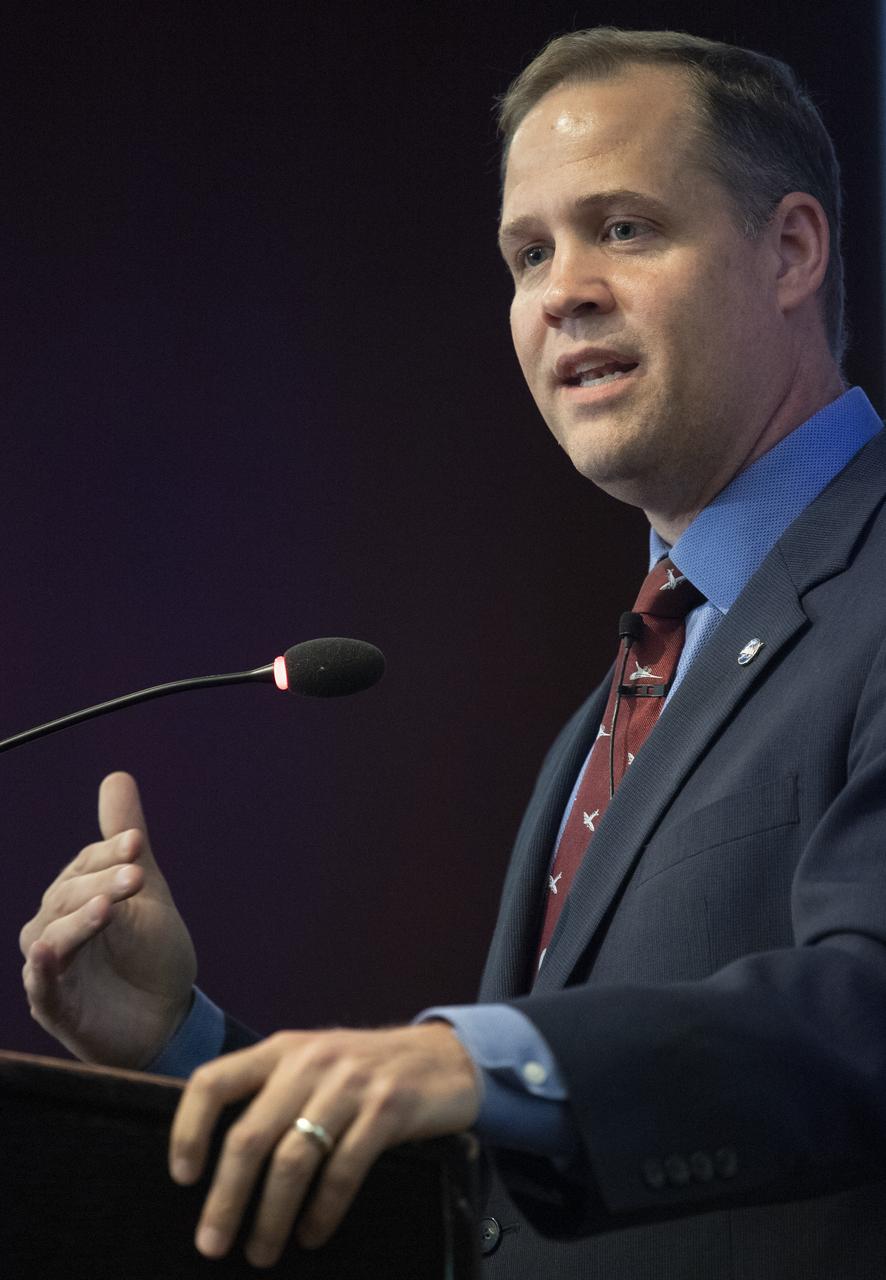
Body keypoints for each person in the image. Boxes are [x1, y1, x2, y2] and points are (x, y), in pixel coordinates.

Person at [19, 27, 886, 1278]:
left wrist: (463, 1055)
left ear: (791, 248)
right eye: (527, 252)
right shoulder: (620, 700)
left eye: (623, 229)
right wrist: (181, 1046)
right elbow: (495, 1198)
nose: (559, 290)